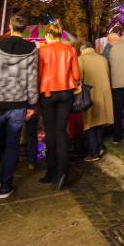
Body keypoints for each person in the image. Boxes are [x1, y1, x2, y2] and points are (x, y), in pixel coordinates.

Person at [0, 14, 38, 199]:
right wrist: (32, 104)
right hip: (18, 102)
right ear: (25, 28)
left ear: (10, 26)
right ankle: (6, 185)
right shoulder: (31, 49)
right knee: (12, 144)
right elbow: (32, 78)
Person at [37, 22, 79, 189]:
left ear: (48, 34)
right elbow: (76, 74)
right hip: (66, 92)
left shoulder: (42, 51)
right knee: (61, 131)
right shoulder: (70, 50)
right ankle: (62, 172)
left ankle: (51, 172)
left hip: (47, 92)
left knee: (50, 131)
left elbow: (39, 74)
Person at [78, 41, 114, 161]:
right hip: (104, 94)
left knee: (89, 124)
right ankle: (99, 148)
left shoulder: (81, 59)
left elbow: (79, 78)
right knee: (98, 123)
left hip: (90, 95)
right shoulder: (102, 58)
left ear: (82, 50)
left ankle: (94, 153)